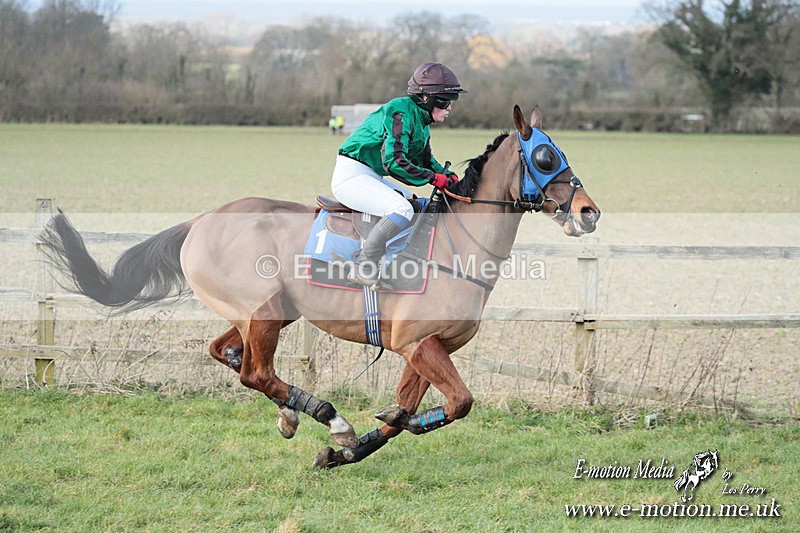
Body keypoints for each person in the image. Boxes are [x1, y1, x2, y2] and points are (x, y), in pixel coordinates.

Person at [331, 62, 467, 286]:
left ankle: (398, 264)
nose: (450, 107)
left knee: (421, 205)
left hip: (371, 175)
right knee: (401, 208)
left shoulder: (422, 122)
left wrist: (446, 174)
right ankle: (363, 264)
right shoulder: (399, 112)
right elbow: (394, 161)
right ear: (426, 98)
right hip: (352, 175)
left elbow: (425, 160)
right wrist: (433, 178)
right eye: (445, 101)